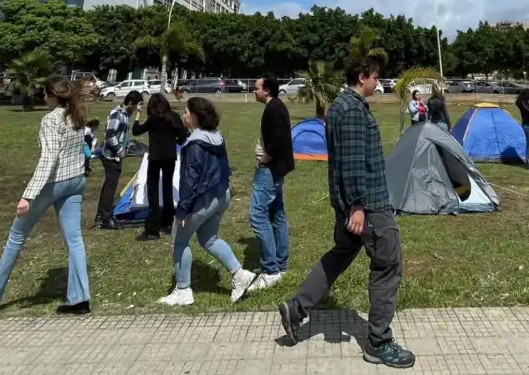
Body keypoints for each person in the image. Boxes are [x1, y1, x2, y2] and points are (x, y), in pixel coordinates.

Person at [278, 56, 414, 369]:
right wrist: (358, 206)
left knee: (342, 252)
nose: (377, 83)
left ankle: (297, 308)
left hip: (351, 204)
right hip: (368, 205)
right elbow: (353, 163)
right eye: (375, 77)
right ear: (362, 76)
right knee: (387, 264)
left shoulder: (340, 105)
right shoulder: (352, 110)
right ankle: (379, 343)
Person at [0, 78, 92, 315]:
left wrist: (28, 196)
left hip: (55, 182)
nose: (43, 98)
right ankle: (80, 298)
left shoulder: (50, 119)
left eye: (45, 94)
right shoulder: (76, 114)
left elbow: (49, 158)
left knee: (16, 235)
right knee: (74, 240)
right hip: (76, 180)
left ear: (53, 96)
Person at [159, 97, 256, 306]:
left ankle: (183, 290)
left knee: (179, 240)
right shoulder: (216, 136)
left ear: (194, 116)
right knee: (209, 238)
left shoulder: (194, 144)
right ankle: (240, 276)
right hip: (222, 195)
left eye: (186, 112)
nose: (184, 115)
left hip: (204, 198)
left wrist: (182, 211)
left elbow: (190, 181)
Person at [243, 75, 295, 299]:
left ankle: (271, 269)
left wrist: (265, 159)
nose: (254, 91)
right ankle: (280, 264)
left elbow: (280, 139)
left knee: (257, 214)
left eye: (256, 88)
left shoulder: (274, 109)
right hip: (277, 168)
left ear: (267, 90)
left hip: (270, 169)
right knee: (277, 213)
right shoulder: (275, 107)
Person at [133, 92, 188, 241]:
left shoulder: (153, 118)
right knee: (167, 188)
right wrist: (174, 142)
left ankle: (153, 229)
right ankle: (168, 223)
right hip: (170, 157)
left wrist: (137, 114)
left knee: (153, 192)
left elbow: (136, 131)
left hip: (155, 158)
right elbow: (184, 135)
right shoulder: (173, 117)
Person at [95, 91, 142, 231]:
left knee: (109, 185)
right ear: (130, 103)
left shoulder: (126, 114)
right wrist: (119, 150)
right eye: (138, 105)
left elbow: (123, 133)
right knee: (110, 187)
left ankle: (101, 214)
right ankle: (106, 218)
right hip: (111, 156)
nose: (139, 108)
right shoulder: (117, 114)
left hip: (115, 155)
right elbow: (110, 135)